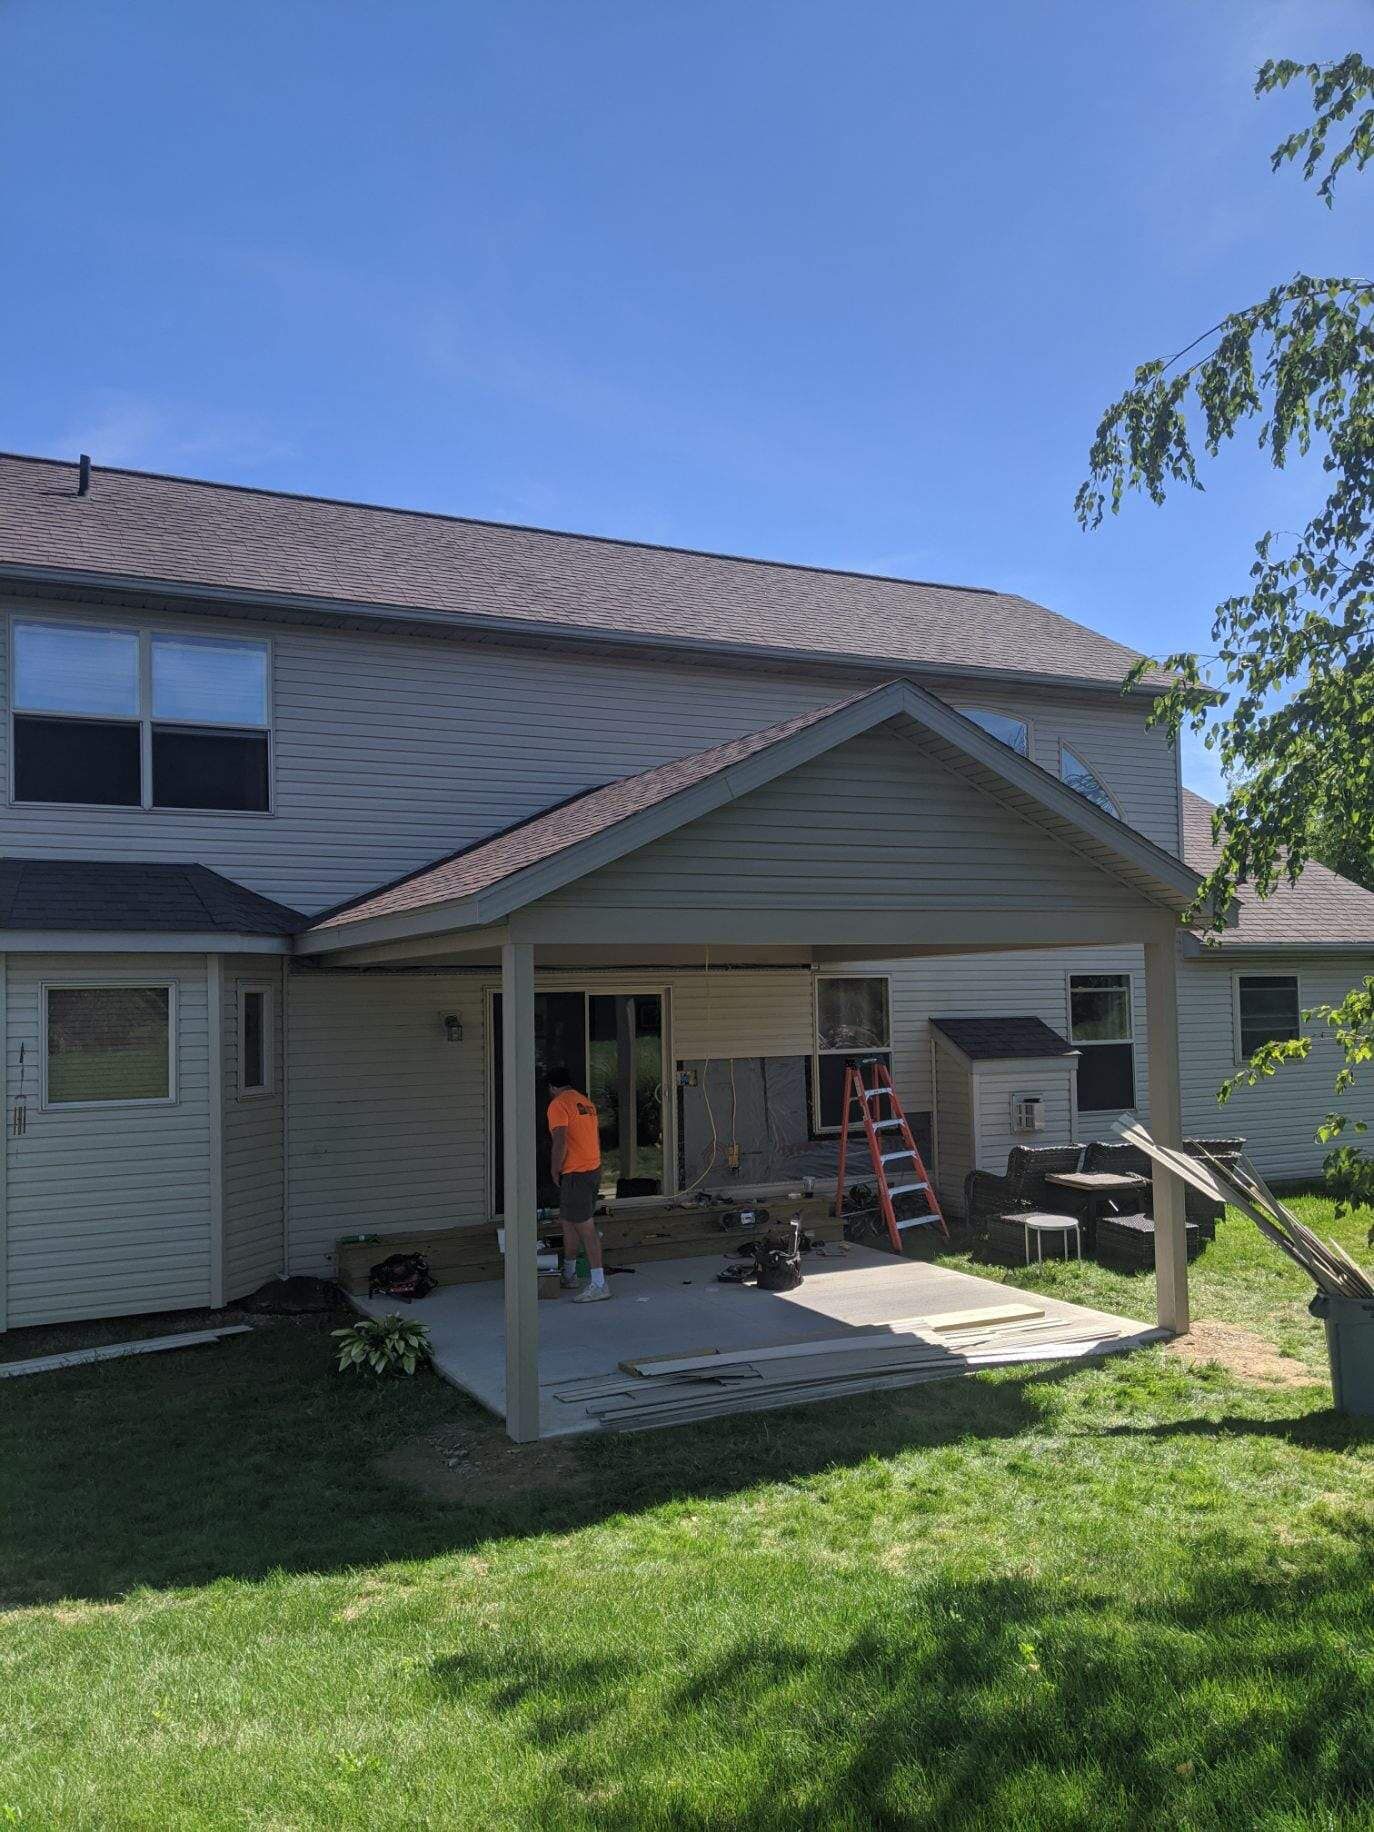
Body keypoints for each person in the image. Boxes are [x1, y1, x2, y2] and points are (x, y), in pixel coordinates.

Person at [546, 1063, 609, 1303]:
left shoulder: (558, 1104)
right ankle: (570, 1274)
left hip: (576, 1172)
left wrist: (554, 1168)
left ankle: (599, 1283)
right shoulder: (584, 1102)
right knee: (568, 1222)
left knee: (586, 1228)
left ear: (552, 1087)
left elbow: (560, 1139)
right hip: (592, 1168)